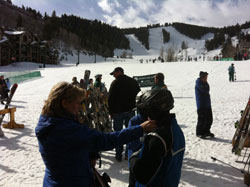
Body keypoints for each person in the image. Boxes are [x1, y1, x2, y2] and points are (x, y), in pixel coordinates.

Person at [35, 81, 156, 187]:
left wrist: (87, 154)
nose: (79, 107)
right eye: (77, 103)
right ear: (64, 103)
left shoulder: (48, 120)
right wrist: (139, 129)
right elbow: (105, 140)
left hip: (54, 181)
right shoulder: (65, 129)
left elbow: (67, 150)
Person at [129, 88, 185, 187]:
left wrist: (133, 158)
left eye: (147, 111)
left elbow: (142, 176)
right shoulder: (175, 128)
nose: (146, 116)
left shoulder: (157, 137)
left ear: (154, 111)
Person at [108, 67, 141, 162]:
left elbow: (110, 98)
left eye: (114, 73)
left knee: (118, 133)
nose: (114, 75)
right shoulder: (132, 81)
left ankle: (118, 154)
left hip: (118, 113)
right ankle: (128, 154)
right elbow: (138, 95)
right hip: (130, 111)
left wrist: (111, 112)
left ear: (119, 72)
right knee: (130, 132)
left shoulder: (115, 83)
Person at [195, 71, 214, 138]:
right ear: (201, 77)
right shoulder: (199, 83)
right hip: (201, 105)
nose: (206, 78)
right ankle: (199, 132)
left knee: (209, 119)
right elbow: (205, 90)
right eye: (205, 77)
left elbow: (207, 89)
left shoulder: (205, 83)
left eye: (206, 77)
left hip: (207, 104)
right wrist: (205, 84)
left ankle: (206, 131)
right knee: (202, 119)